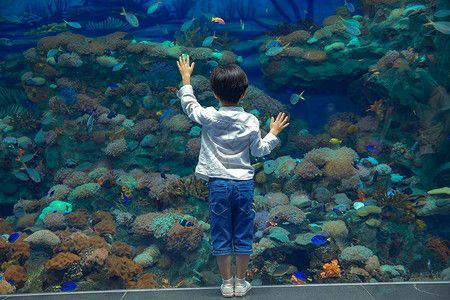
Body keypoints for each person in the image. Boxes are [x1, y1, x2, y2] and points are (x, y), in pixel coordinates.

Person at [176, 55, 289, 297]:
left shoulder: (210, 116)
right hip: (243, 185)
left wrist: (186, 79)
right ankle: (241, 280)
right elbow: (259, 150)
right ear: (244, 93)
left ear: (215, 93)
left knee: (221, 232)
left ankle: (227, 284)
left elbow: (189, 105)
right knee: (243, 232)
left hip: (218, 184)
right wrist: (273, 132)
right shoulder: (250, 120)